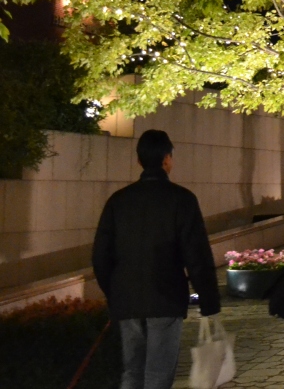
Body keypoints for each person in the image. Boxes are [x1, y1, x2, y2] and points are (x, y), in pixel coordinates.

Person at [92, 129, 221, 389]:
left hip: (127, 299)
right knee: (158, 375)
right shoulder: (182, 199)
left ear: (139, 160)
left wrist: (114, 292)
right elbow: (196, 254)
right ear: (167, 159)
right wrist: (209, 300)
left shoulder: (118, 201)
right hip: (166, 297)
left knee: (132, 371)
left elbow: (100, 256)